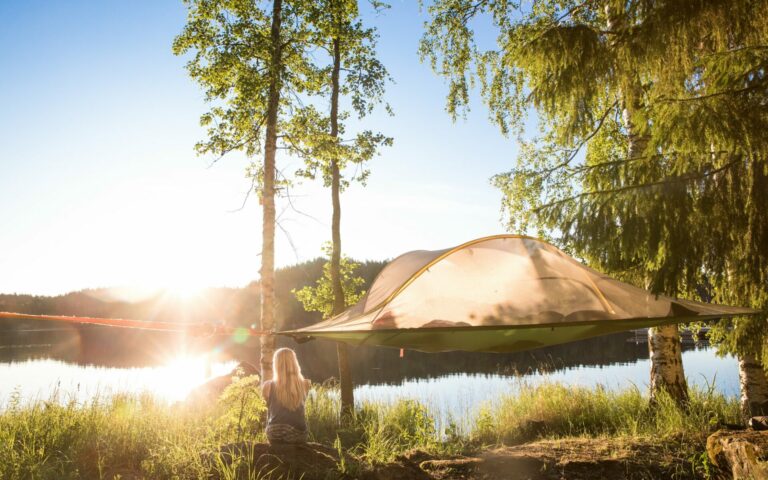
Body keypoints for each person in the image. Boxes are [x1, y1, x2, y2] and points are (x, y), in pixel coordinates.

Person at [262, 348, 311, 444]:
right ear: (294, 363)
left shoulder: (268, 386)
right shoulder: (306, 384)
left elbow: (268, 407)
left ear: (276, 365)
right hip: (298, 434)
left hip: (274, 433)